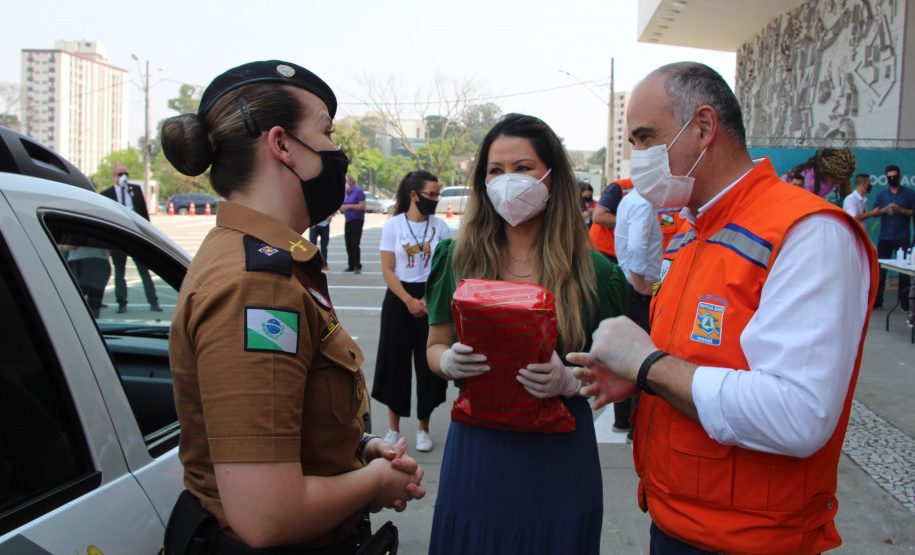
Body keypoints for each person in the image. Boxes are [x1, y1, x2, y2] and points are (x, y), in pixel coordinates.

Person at [569, 62, 877, 555]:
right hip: (677, 518)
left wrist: (650, 365)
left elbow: (798, 414)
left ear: (705, 127)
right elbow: (705, 358)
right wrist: (639, 377)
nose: (638, 159)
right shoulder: (692, 230)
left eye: (647, 138)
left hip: (749, 540)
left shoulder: (808, 233)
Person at [159, 60, 424, 553]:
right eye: (325, 132)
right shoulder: (257, 287)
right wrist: (375, 483)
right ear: (282, 145)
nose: (335, 150)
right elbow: (267, 515)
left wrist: (360, 450)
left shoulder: (268, 260)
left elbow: (290, 419)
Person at [424, 113, 628, 554]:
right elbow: (434, 346)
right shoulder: (456, 258)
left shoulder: (596, 273)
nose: (507, 181)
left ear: (552, 177)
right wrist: (447, 362)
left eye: (523, 168)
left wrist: (572, 382)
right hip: (479, 448)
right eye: (495, 171)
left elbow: (616, 378)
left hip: (560, 451)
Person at [371, 170, 451, 453]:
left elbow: (443, 268)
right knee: (395, 362)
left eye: (437, 195)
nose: (435, 199)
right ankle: (393, 429)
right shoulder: (393, 225)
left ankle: (423, 429)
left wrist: (429, 300)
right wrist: (407, 300)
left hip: (431, 299)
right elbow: (387, 270)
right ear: (414, 195)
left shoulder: (440, 227)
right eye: (431, 194)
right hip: (399, 299)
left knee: (428, 366)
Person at [613, 187, 663, 443]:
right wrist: (642, 281)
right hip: (641, 287)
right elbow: (636, 245)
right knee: (642, 355)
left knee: (626, 354)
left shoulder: (630, 200)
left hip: (631, 283)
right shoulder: (644, 203)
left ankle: (622, 419)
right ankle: (635, 424)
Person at [100, 166, 162, 313]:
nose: (124, 177)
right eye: (121, 174)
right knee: (120, 272)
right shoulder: (107, 194)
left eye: (126, 174)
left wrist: (149, 235)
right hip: (118, 238)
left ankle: (154, 302)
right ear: (114, 176)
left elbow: (144, 214)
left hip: (136, 237)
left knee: (144, 271)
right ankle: (122, 303)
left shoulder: (135, 190)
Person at [874, 164, 915, 310]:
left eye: (895, 177)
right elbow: (876, 212)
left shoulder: (909, 193)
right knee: (880, 270)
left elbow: (913, 212)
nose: (892, 179)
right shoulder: (882, 195)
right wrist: (884, 210)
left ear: (900, 177)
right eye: (890, 177)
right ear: (886, 178)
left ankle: (904, 303)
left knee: (903, 271)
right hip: (885, 235)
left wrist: (901, 210)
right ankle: (878, 300)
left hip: (902, 234)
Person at [784, 148, 857, 203]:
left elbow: (848, 195)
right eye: (834, 182)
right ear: (823, 170)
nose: (838, 185)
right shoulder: (807, 183)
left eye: (841, 182)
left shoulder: (840, 173)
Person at [589, 177, 633, 264]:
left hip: (623, 253)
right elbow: (599, 216)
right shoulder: (619, 187)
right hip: (604, 252)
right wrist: (634, 222)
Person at [341, 175, 366, 273]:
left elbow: (363, 205)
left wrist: (348, 206)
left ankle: (357, 265)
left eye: (346, 181)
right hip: (348, 220)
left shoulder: (358, 191)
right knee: (348, 243)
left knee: (355, 243)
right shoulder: (346, 193)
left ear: (351, 182)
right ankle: (351, 265)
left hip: (357, 220)